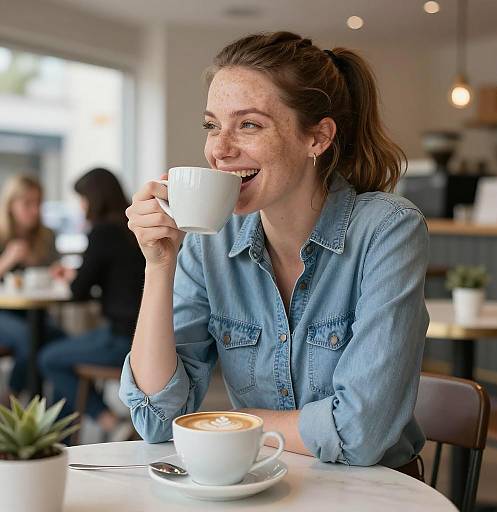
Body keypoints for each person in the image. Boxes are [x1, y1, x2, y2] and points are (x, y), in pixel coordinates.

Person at [119, 32, 429, 476]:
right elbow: (156, 417)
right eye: (212, 125)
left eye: (249, 124)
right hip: (261, 482)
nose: (219, 149)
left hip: (375, 493)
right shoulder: (211, 239)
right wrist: (159, 263)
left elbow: (360, 432)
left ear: (317, 138)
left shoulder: (387, 229)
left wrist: (222, 426)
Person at [39, 168, 145, 437]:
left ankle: (108, 421)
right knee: (64, 349)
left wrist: (70, 277)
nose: (81, 206)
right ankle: (62, 437)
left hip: (121, 338)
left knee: (49, 357)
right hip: (143, 334)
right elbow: (113, 277)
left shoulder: (103, 232)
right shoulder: (131, 229)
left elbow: (78, 292)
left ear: (94, 199)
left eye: (83, 199)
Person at [0, 175, 62, 400]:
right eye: (27, 203)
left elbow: (55, 273)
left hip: (35, 313)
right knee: (30, 340)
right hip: (3, 313)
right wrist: (7, 260)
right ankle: (11, 400)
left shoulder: (46, 236)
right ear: (11, 205)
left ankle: (54, 418)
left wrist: (56, 272)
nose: (34, 210)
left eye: (38, 203)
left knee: (62, 345)